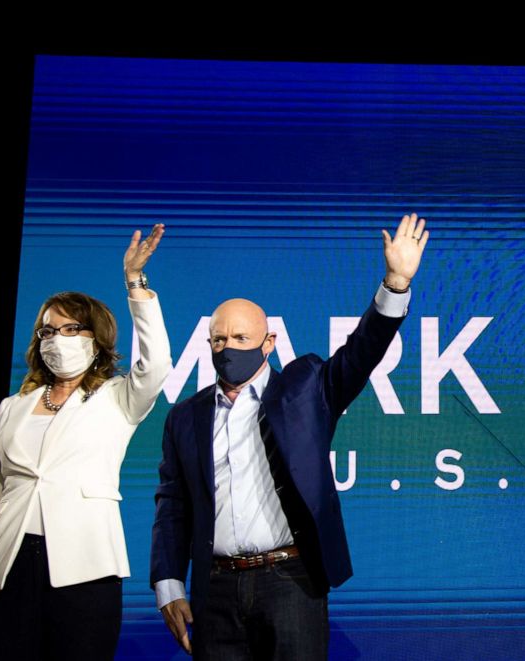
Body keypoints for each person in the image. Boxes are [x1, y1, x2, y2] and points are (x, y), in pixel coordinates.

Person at [151, 213, 429, 660]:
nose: (228, 347)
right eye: (218, 339)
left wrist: (395, 282)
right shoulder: (185, 416)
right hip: (214, 588)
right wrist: (168, 584)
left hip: (290, 581)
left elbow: (362, 352)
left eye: (241, 337)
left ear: (269, 342)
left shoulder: (306, 389)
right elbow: (173, 503)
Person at [0, 225, 173, 661]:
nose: (57, 340)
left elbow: (157, 362)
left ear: (96, 339)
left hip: (84, 566)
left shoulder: (116, 398)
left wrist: (135, 283)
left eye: (71, 329)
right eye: (49, 331)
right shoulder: (13, 406)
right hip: (4, 562)